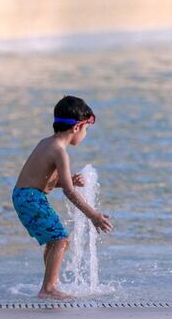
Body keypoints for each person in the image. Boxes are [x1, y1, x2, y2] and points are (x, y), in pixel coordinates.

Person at [12, 95, 112, 300]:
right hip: (31, 198)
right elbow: (69, 192)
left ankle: (51, 283)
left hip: (25, 195)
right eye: (86, 130)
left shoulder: (46, 143)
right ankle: (48, 288)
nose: (85, 135)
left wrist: (68, 181)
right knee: (61, 240)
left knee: (53, 240)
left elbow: (42, 180)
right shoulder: (60, 152)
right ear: (77, 128)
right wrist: (93, 215)